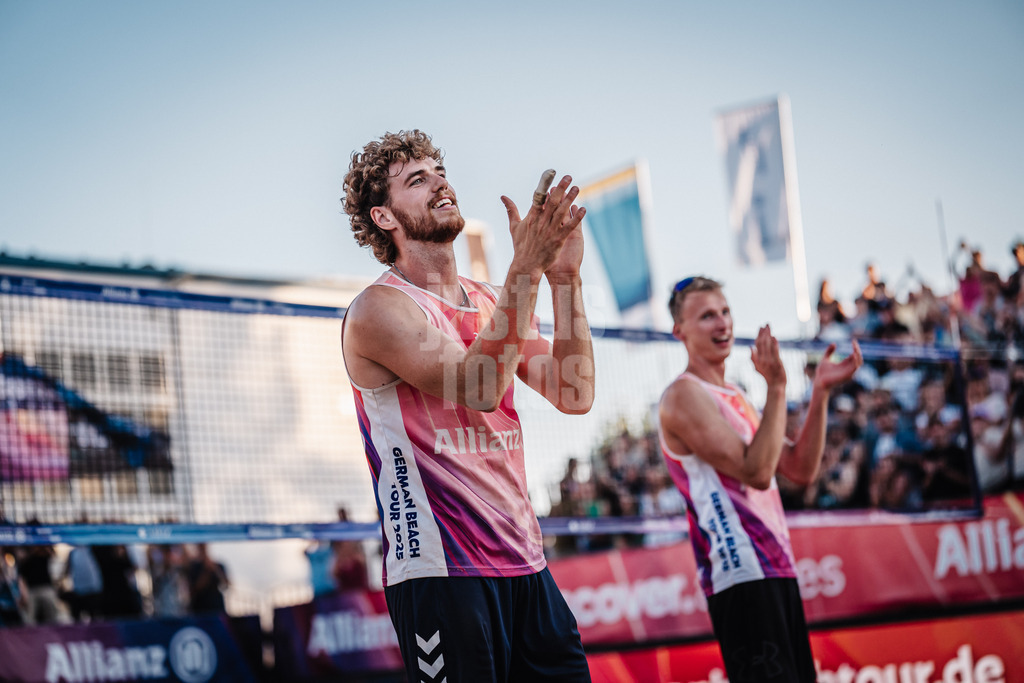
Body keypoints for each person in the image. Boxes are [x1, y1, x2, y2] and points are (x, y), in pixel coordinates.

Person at [340, 130, 594, 682]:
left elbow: (574, 392)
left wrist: (565, 278)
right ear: (385, 218)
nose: (440, 182)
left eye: (438, 171)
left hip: (526, 565)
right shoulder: (379, 311)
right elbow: (479, 382)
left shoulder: (485, 301)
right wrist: (526, 266)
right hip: (442, 577)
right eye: (417, 179)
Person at [657, 276, 862, 682]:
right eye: (707, 316)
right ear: (679, 331)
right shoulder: (683, 395)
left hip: (775, 567)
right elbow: (757, 471)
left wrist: (819, 393)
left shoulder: (735, 395)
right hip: (741, 573)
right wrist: (778, 388)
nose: (722, 324)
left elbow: (798, 470)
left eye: (725, 312)